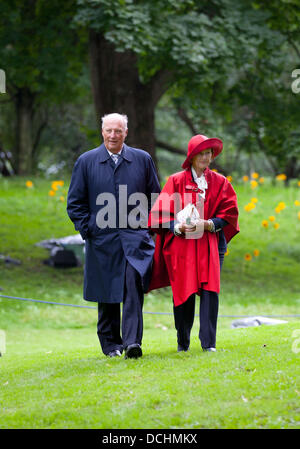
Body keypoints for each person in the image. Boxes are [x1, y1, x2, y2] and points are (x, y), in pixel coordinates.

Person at [67, 113, 160, 359]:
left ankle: (132, 343)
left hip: (135, 239)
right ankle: (110, 345)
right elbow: (75, 204)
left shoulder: (142, 159)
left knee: (132, 286)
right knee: (106, 291)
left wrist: (146, 230)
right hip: (102, 240)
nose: (113, 135)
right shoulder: (86, 162)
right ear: (102, 132)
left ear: (125, 133)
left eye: (118, 131)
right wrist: (90, 230)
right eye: (109, 130)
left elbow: (155, 199)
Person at [148, 134, 239, 352]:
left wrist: (207, 224)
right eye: (201, 153)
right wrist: (178, 227)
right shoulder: (176, 181)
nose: (206, 157)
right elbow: (158, 215)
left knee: (210, 290)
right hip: (183, 245)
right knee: (184, 290)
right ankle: (183, 343)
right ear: (192, 156)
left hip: (211, 243)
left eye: (209, 153)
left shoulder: (220, 182)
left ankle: (209, 344)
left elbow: (229, 214)